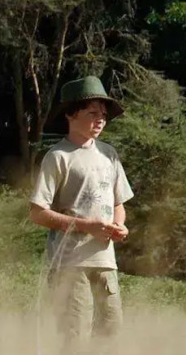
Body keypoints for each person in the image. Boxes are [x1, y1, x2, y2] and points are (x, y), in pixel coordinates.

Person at [28, 76, 134, 340]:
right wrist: (87, 226)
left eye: (104, 115)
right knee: (75, 340)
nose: (100, 120)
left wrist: (119, 225)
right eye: (92, 113)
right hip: (69, 263)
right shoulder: (58, 157)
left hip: (105, 262)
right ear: (70, 115)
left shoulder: (109, 154)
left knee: (111, 334)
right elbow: (37, 212)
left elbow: (119, 203)